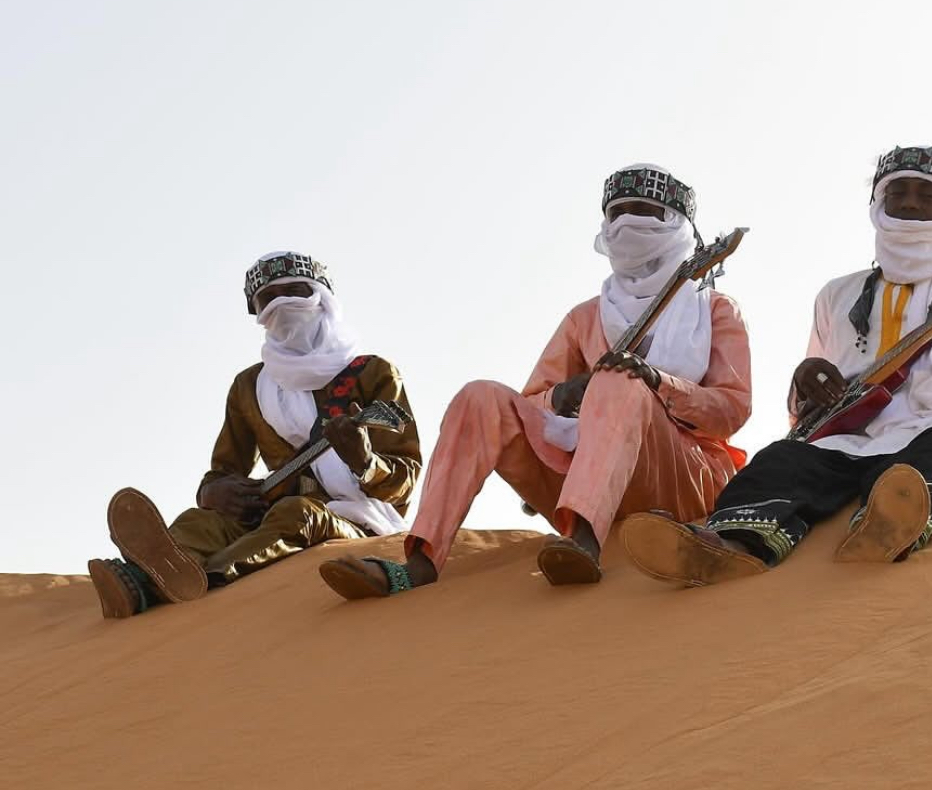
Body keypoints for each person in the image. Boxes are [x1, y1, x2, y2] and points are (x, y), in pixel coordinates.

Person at [318, 163, 751, 598]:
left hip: (683, 479)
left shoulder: (714, 310)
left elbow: (732, 409)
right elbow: (533, 404)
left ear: (675, 223)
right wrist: (561, 395)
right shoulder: (585, 318)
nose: (625, 224)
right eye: (616, 213)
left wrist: (656, 383)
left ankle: (584, 540)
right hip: (581, 473)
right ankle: (420, 561)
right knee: (479, 397)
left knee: (619, 381)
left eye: (641, 211)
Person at [622, 145, 932, 586]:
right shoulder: (836, 295)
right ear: (878, 202)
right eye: (898, 192)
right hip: (846, 445)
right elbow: (809, 415)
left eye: (926, 194)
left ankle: (888, 527)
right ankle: (726, 548)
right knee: (779, 461)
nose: (910, 203)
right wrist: (804, 384)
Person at [88, 251, 421, 617]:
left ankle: (192, 581)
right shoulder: (251, 386)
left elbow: (404, 482)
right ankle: (143, 577)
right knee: (200, 522)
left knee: (299, 514)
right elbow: (223, 471)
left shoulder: (372, 373)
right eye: (269, 299)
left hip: (357, 522)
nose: (282, 305)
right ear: (257, 313)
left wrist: (365, 462)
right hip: (267, 517)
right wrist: (214, 492)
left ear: (321, 297)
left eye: (294, 292)